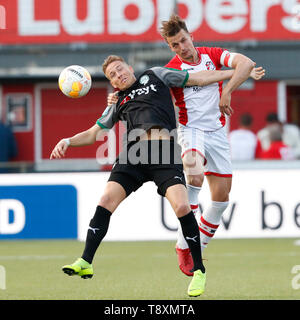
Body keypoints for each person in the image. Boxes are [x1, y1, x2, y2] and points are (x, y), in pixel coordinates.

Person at [50, 55, 241, 297]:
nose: (119, 75)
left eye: (120, 69)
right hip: (133, 155)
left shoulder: (156, 74)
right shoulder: (118, 101)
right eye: (113, 75)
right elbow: (93, 133)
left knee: (182, 206)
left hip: (164, 153)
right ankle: (85, 260)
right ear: (113, 83)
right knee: (106, 200)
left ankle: (199, 271)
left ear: (129, 68)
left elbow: (197, 78)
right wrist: (67, 141)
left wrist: (231, 73)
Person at [159, 14, 265, 276]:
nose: (181, 47)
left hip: (217, 131)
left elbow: (246, 61)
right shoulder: (172, 69)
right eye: (175, 45)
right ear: (170, 48)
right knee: (193, 174)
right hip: (191, 129)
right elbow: (216, 75)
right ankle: (185, 246)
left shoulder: (211, 53)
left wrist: (227, 90)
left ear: (191, 36)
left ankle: (200, 245)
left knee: (221, 200)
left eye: (183, 40)